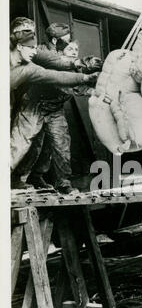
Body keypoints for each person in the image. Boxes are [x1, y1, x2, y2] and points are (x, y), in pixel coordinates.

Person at [10, 17, 97, 189]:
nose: (71, 49)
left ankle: (59, 181)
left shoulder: (38, 54)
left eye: (75, 48)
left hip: (54, 109)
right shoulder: (39, 53)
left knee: (59, 143)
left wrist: (84, 70)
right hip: (34, 104)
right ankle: (16, 177)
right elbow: (55, 74)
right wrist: (82, 74)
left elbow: (72, 78)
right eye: (67, 44)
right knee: (27, 143)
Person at [27, 35, 102, 193]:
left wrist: (97, 89)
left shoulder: (76, 68)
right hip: (35, 107)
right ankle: (26, 178)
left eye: (76, 49)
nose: (74, 52)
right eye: (70, 49)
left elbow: (81, 87)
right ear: (60, 51)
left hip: (55, 110)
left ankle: (63, 182)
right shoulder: (53, 64)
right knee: (35, 145)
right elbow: (65, 85)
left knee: (61, 146)